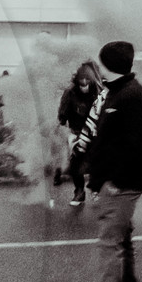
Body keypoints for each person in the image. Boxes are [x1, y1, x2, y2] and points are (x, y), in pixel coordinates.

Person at [68, 40, 142, 282]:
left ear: (111, 64)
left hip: (120, 184)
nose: (98, 67)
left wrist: (110, 182)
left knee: (109, 245)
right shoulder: (119, 92)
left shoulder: (129, 97)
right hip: (119, 181)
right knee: (121, 243)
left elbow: (128, 148)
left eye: (102, 62)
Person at [56, 61, 102, 207]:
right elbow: (62, 114)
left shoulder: (98, 92)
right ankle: (79, 191)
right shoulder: (70, 92)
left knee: (97, 163)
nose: (84, 82)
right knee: (76, 164)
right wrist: (62, 122)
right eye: (81, 79)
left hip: (94, 133)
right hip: (76, 132)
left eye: (87, 79)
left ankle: (97, 191)